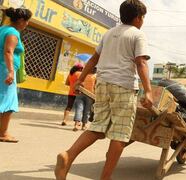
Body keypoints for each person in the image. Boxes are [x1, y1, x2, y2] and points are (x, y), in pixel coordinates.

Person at [55, 1, 153, 180]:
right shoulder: (138, 35)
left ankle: (68, 155)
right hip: (123, 86)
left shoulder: (109, 33)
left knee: (98, 128)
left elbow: (93, 60)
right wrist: (148, 91)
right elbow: (141, 63)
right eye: (143, 17)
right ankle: (105, 178)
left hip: (103, 85)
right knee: (120, 135)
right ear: (138, 18)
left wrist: (80, 81)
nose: (143, 21)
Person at [0, 8, 32, 143]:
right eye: (27, 21)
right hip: (5, 70)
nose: (27, 24)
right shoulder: (13, 33)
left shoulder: (2, 29)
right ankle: (3, 133)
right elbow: (8, 51)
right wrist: (11, 71)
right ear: (20, 20)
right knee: (8, 102)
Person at [72, 67, 96, 131]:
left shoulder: (83, 75)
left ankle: (76, 125)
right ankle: (84, 126)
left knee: (79, 109)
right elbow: (96, 87)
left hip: (80, 93)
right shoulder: (96, 77)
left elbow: (77, 83)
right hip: (90, 95)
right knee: (87, 111)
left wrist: (75, 89)